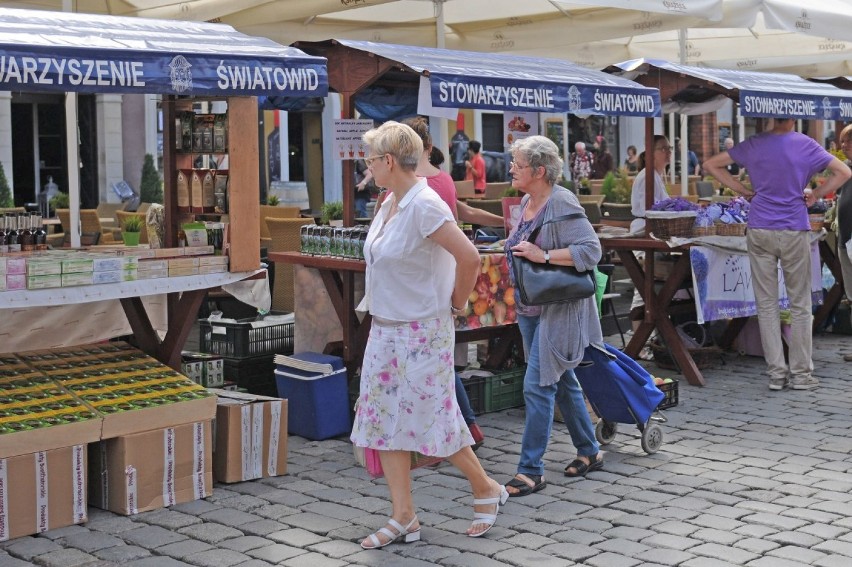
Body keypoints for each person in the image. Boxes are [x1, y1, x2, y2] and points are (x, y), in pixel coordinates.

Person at [351, 121, 508, 549]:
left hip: (421, 329)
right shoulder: (391, 201)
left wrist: (455, 305)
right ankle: (403, 515)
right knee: (383, 419)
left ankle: (485, 487)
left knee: (432, 417)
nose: (367, 167)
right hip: (386, 327)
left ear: (388, 161)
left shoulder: (424, 203)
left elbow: (469, 258)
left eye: (370, 159)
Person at [704, 118, 851, 391]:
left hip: (760, 227)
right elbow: (843, 172)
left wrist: (746, 191)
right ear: (794, 116)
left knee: (767, 304)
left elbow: (710, 164)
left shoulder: (755, 143)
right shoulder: (806, 145)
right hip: (794, 227)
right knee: (799, 304)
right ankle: (801, 375)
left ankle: (776, 374)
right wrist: (816, 193)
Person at [502, 135, 604, 497]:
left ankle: (531, 471)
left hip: (558, 309)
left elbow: (591, 251)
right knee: (562, 381)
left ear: (539, 170)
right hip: (531, 307)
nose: (511, 168)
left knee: (538, 385)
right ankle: (590, 450)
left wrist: (543, 257)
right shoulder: (529, 200)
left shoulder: (560, 202)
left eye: (517, 163)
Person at [402, 116, 505, 448]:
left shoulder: (412, 186)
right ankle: (457, 427)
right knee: (439, 355)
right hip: (447, 274)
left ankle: (461, 426)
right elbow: (465, 212)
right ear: (429, 147)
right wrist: (506, 221)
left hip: (422, 280)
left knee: (434, 358)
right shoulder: (443, 179)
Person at [628, 136, 674, 348]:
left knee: (650, 289)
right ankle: (641, 343)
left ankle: (649, 341)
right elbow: (655, 210)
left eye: (669, 148)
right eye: (663, 148)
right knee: (644, 289)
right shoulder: (647, 176)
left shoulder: (655, 176)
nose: (668, 152)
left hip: (655, 235)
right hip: (645, 236)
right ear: (651, 152)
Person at [837, 126, 852, 362]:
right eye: (842, 142)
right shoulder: (846, 170)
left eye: (848, 142)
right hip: (845, 239)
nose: (843, 146)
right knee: (851, 295)